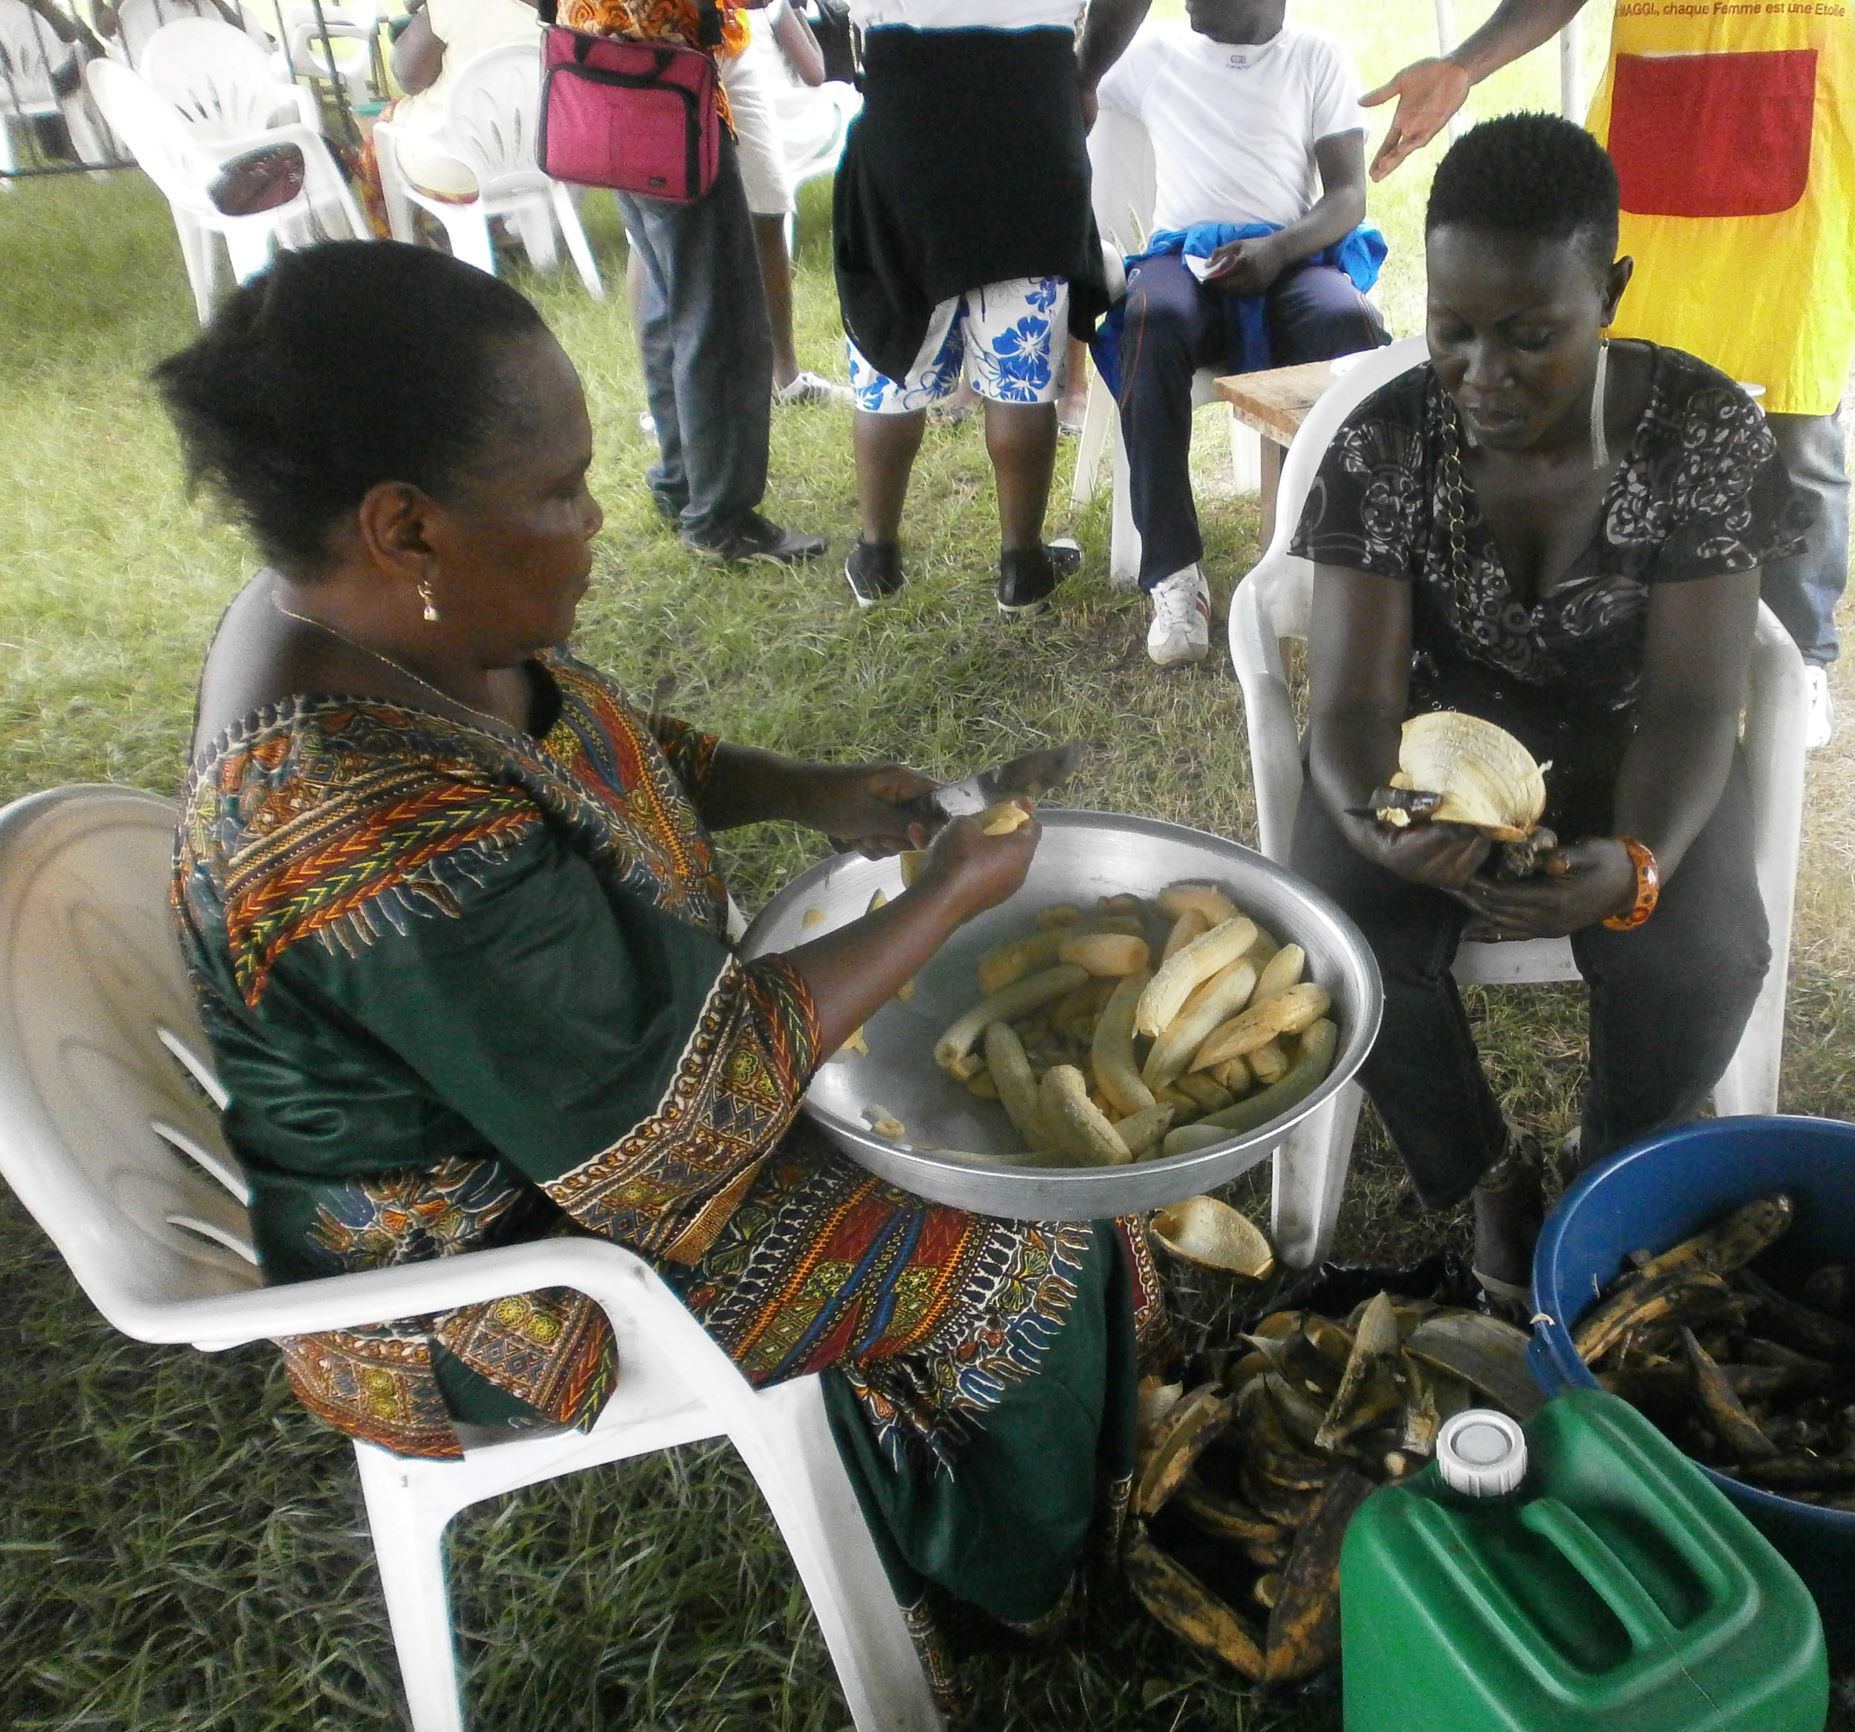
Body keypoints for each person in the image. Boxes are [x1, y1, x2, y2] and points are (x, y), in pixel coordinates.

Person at [157, 244, 1163, 1706]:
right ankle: (1017, 1589)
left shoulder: (376, 610)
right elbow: (673, 1133)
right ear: (404, 524)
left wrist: (804, 788)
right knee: (1014, 1239)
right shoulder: (353, 823)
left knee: (997, 1158)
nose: (597, 517)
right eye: (560, 489)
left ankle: (1041, 1478)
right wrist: (941, 901)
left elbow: (596, 748)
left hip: (584, 1120)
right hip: (490, 1278)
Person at [1289, 116, 1796, 1306]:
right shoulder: (1387, 441)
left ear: (1607, 292)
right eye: (1452, 329)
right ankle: (1482, 1185)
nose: (1481, 373)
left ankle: (1608, 1167)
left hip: (1632, 750)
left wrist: (1634, 860)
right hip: (1434, 759)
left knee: (1704, 956)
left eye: (1530, 335)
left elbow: (1688, 703)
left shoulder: (1700, 433)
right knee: (1338, 934)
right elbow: (1355, 702)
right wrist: (1377, 823)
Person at [1360, 0, 1855, 752]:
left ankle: (1798, 657)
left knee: (1798, 421)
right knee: (1618, 407)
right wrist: (1467, 65)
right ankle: (1621, 632)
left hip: (1793, 158)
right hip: (1651, 152)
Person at [1093, 0, 1387, 668]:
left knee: (1349, 327)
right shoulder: (1150, 53)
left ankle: (1315, 550)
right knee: (1148, 323)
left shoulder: (1315, 56)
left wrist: (1278, 251)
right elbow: (1067, 71)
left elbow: (1347, 197)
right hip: (1181, 255)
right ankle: (1174, 575)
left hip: (1289, 253)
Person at [830, 0, 1148, 615]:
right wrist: (1084, 76)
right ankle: (1021, 569)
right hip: (1031, 109)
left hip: (905, 109)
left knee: (893, 345)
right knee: (1022, 367)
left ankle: (875, 558)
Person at [567, 0, 827, 564]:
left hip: (611, 72)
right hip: (672, 91)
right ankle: (720, 519)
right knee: (721, 318)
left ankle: (682, 481)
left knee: (671, 303)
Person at [718, 0, 853, 405]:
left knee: (766, 211)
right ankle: (675, 401)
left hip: (723, 50)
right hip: (679, 47)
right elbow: (816, 70)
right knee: (663, 223)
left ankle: (784, 380)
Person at [379, 0, 542, 202]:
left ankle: (398, 231)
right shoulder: (578, 9)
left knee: (381, 132)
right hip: (544, 162)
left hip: (456, 170)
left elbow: (409, 77)